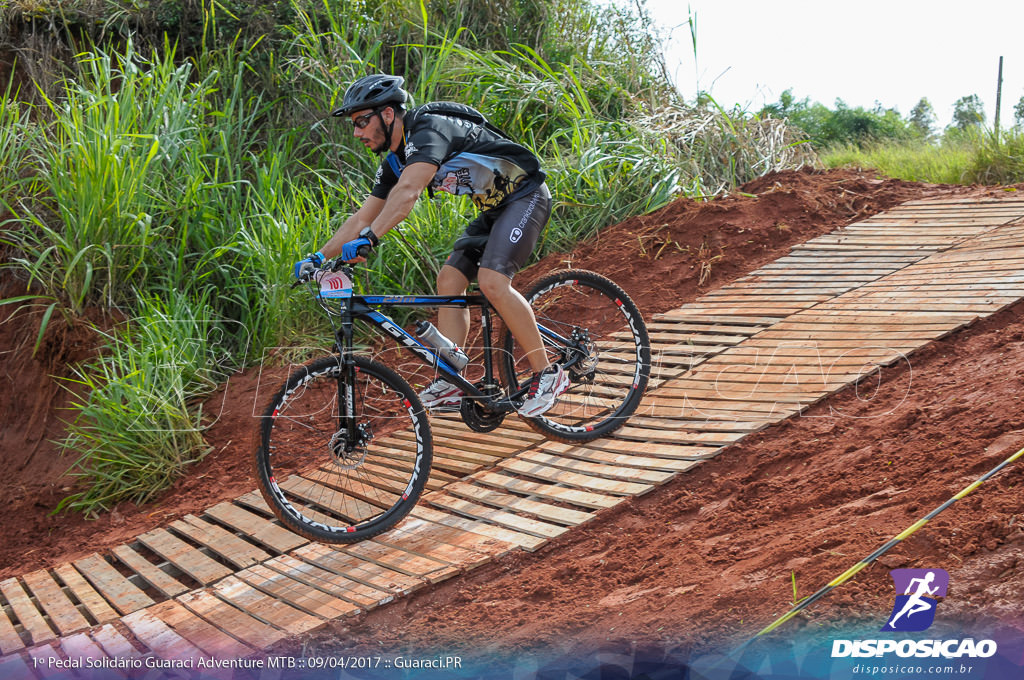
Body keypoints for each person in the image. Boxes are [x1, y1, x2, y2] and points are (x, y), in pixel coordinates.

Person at [294, 74, 568, 417]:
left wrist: (370, 239)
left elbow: (408, 193)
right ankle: (454, 382)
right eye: (354, 124)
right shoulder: (394, 162)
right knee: (449, 282)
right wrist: (318, 256)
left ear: (389, 114)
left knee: (492, 282)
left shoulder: (427, 130)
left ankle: (549, 374)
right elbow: (360, 218)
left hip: (525, 196)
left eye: (363, 121)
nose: (357, 133)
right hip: (494, 209)